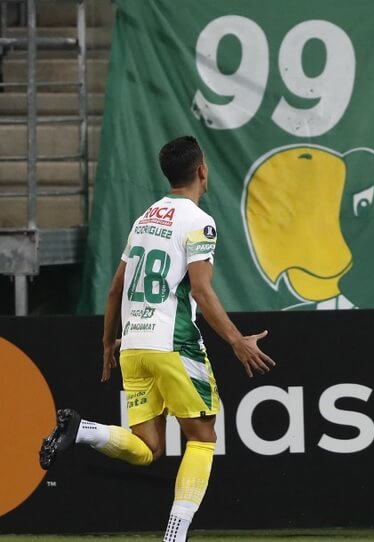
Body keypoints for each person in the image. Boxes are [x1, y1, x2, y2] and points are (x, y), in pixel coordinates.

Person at [39, 136, 275, 542]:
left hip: (133, 345)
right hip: (172, 342)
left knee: (148, 447)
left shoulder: (144, 218)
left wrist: (108, 342)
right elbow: (200, 290)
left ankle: (81, 430)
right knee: (203, 438)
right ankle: (175, 536)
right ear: (202, 170)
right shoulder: (199, 221)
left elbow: (116, 288)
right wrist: (236, 340)